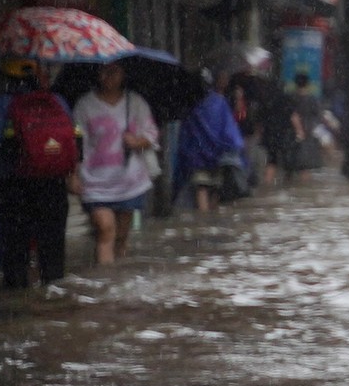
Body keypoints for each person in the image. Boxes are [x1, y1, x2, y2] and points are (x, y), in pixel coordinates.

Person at [0, 57, 82, 289]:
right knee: (53, 258)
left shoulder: (0, 105)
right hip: (52, 186)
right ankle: (54, 305)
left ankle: (20, 306)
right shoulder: (58, 101)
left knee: (14, 259)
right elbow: (73, 142)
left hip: (12, 189)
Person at [71, 60, 158, 265]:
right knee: (105, 229)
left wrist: (137, 141)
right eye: (104, 71)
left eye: (114, 72)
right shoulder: (84, 105)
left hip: (129, 182)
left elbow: (152, 136)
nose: (108, 77)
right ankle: (104, 285)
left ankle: (115, 285)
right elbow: (75, 143)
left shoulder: (135, 102)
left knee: (120, 238)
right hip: (94, 184)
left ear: (123, 74)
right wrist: (73, 175)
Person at [174, 72, 246, 212]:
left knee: (202, 187)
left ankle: (204, 220)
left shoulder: (192, 104)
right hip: (217, 155)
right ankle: (210, 220)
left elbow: (186, 133)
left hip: (198, 156)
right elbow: (229, 131)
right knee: (214, 188)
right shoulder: (219, 101)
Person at [286, 71, 324, 179]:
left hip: (291, 135)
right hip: (307, 135)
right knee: (305, 167)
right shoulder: (312, 99)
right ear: (307, 83)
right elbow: (318, 117)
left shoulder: (290, 98)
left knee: (290, 167)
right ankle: (303, 189)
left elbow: (288, 115)